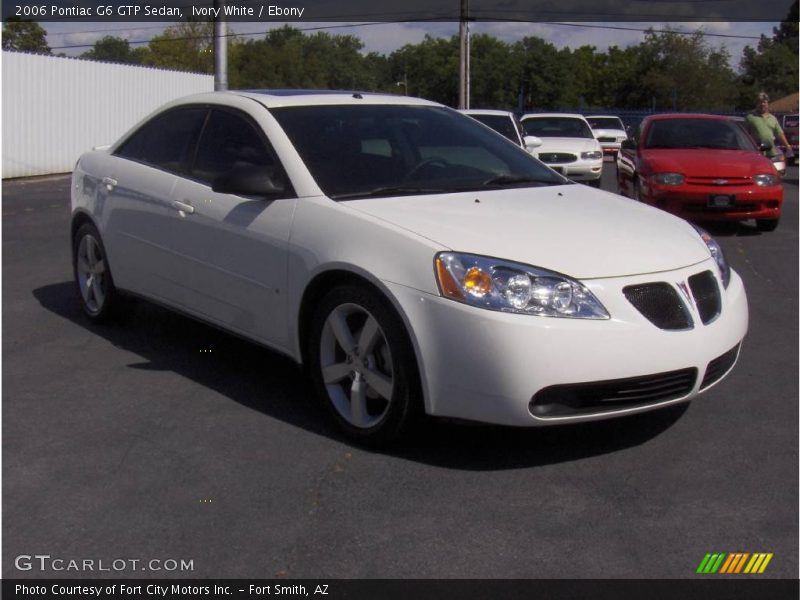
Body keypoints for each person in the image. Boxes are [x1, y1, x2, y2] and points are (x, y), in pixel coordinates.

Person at [745, 92, 794, 160]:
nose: (762, 104)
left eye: (764, 102)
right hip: (756, 153)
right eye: (760, 102)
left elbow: (779, 134)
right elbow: (744, 134)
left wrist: (787, 146)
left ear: (767, 103)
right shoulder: (750, 117)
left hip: (771, 153)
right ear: (757, 104)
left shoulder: (773, 118)